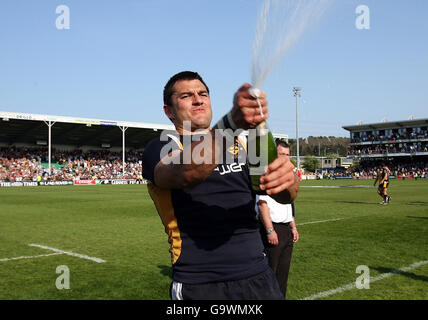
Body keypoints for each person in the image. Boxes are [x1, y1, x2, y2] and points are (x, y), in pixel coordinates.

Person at [142, 71, 299, 300]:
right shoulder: (162, 146)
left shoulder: (242, 145)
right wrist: (231, 124)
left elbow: (286, 195)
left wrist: (288, 180)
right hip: (200, 284)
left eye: (203, 93)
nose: (198, 99)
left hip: (259, 277)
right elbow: (186, 173)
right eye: (186, 95)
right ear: (169, 111)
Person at [256, 140, 299, 299]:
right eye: (282, 154)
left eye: (287, 155)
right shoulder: (265, 173)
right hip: (273, 229)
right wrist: (269, 230)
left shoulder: (287, 175)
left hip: (286, 230)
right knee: (269, 274)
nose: (285, 158)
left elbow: (289, 204)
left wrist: (293, 226)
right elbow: (262, 204)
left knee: (283, 275)